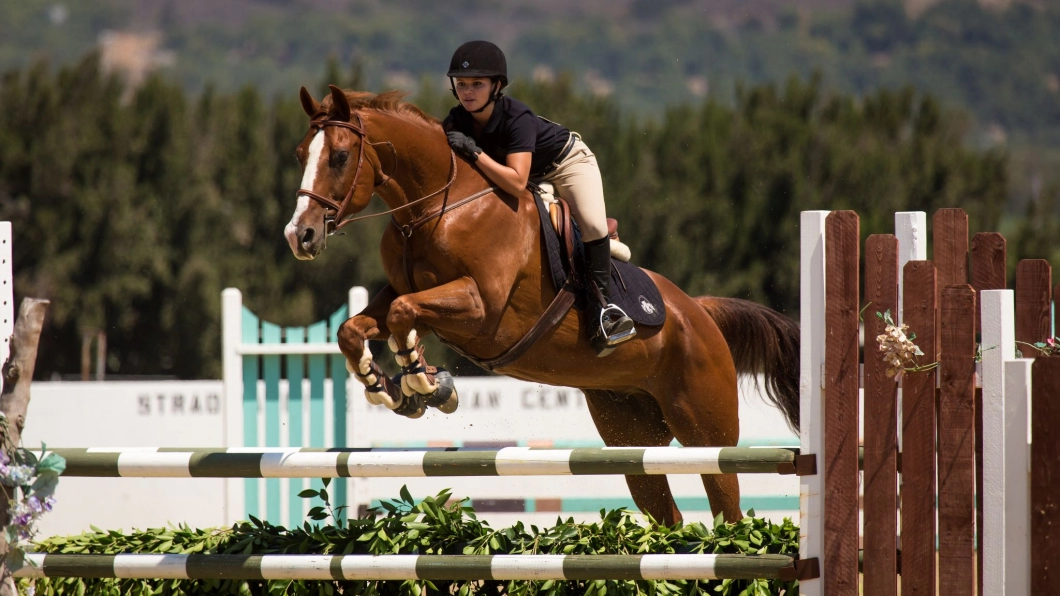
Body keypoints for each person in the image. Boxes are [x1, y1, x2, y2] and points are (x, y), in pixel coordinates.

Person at [442, 40, 635, 358]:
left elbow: (516, 183)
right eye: (462, 84)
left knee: (591, 226)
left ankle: (604, 311)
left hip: (566, 163)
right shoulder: (456, 121)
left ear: (497, 86)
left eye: (477, 83)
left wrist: (474, 152)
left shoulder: (517, 117)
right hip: (526, 175)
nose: (468, 91)